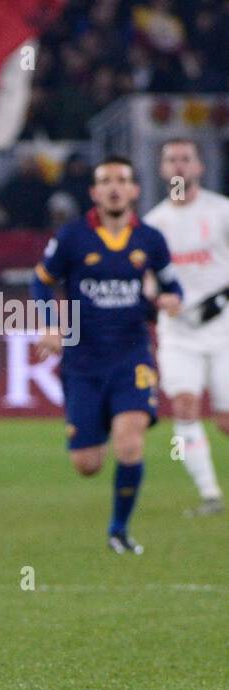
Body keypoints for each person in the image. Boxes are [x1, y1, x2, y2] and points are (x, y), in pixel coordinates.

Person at [33, 156, 183, 553]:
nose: (114, 187)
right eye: (106, 181)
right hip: (83, 361)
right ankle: (91, 438)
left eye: (122, 180)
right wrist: (50, 325)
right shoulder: (72, 237)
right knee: (87, 465)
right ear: (94, 192)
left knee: (130, 442)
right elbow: (41, 281)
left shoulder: (150, 239)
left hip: (132, 355)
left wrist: (171, 300)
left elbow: (172, 286)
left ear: (134, 190)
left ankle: (119, 530)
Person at [143, 138, 229, 516]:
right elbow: (145, 279)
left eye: (186, 159)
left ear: (199, 167)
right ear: (163, 170)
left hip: (224, 327)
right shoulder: (153, 224)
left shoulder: (222, 211)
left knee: (225, 420)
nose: (179, 166)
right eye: (171, 160)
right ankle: (209, 494)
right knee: (184, 404)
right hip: (178, 330)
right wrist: (158, 297)